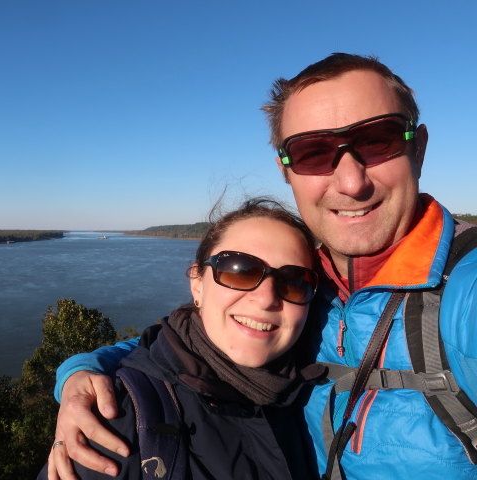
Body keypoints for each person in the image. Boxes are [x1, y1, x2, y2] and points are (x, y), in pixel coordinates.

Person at [48, 53, 477, 480]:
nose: (352, 182)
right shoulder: (313, 286)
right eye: (312, 151)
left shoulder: (463, 292)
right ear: (286, 171)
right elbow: (180, 345)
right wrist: (81, 372)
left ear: (418, 148)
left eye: (378, 140)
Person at [39, 198, 326, 479]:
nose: (266, 299)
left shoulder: (306, 388)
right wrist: (77, 370)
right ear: (197, 284)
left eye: (295, 282)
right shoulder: (118, 421)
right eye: (239, 270)